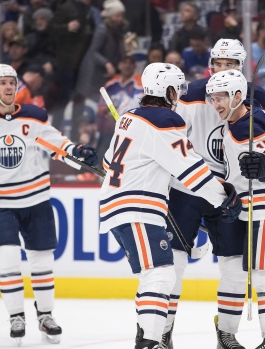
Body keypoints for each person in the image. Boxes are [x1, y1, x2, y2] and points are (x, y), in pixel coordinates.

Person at [162, 38, 265, 349]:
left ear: (240, 69)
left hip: (228, 191)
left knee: (235, 266)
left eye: (231, 66)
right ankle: (163, 332)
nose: (223, 70)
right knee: (172, 266)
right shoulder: (188, 95)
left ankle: (226, 333)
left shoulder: (251, 96)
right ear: (210, 63)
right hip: (187, 187)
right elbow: (164, 133)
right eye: (219, 64)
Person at [0, 64, 99, 345]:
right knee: (8, 257)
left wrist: (77, 152)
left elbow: (58, 145)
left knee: (43, 260)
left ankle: (46, 315)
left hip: (36, 199)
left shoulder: (33, 117)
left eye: (12, 82)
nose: (9, 87)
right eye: (2, 83)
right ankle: (16, 317)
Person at [98, 62, 242, 349]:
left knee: (155, 275)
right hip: (137, 206)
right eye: (179, 89)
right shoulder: (166, 120)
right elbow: (192, 170)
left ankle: (146, 335)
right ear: (170, 90)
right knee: (161, 274)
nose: (180, 96)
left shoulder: (128, 118)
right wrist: (223, 195)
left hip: (121, 205)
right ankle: (150, 342)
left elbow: (105, 163)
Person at [207, 69, 265, 349]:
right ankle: (231, 336)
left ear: (238, 96)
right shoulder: (236, 121)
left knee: (264, 273)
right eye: (212, 98)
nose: (215, 103)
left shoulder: (252, 122)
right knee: (235, 272)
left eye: (221, 97)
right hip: (249, 203)